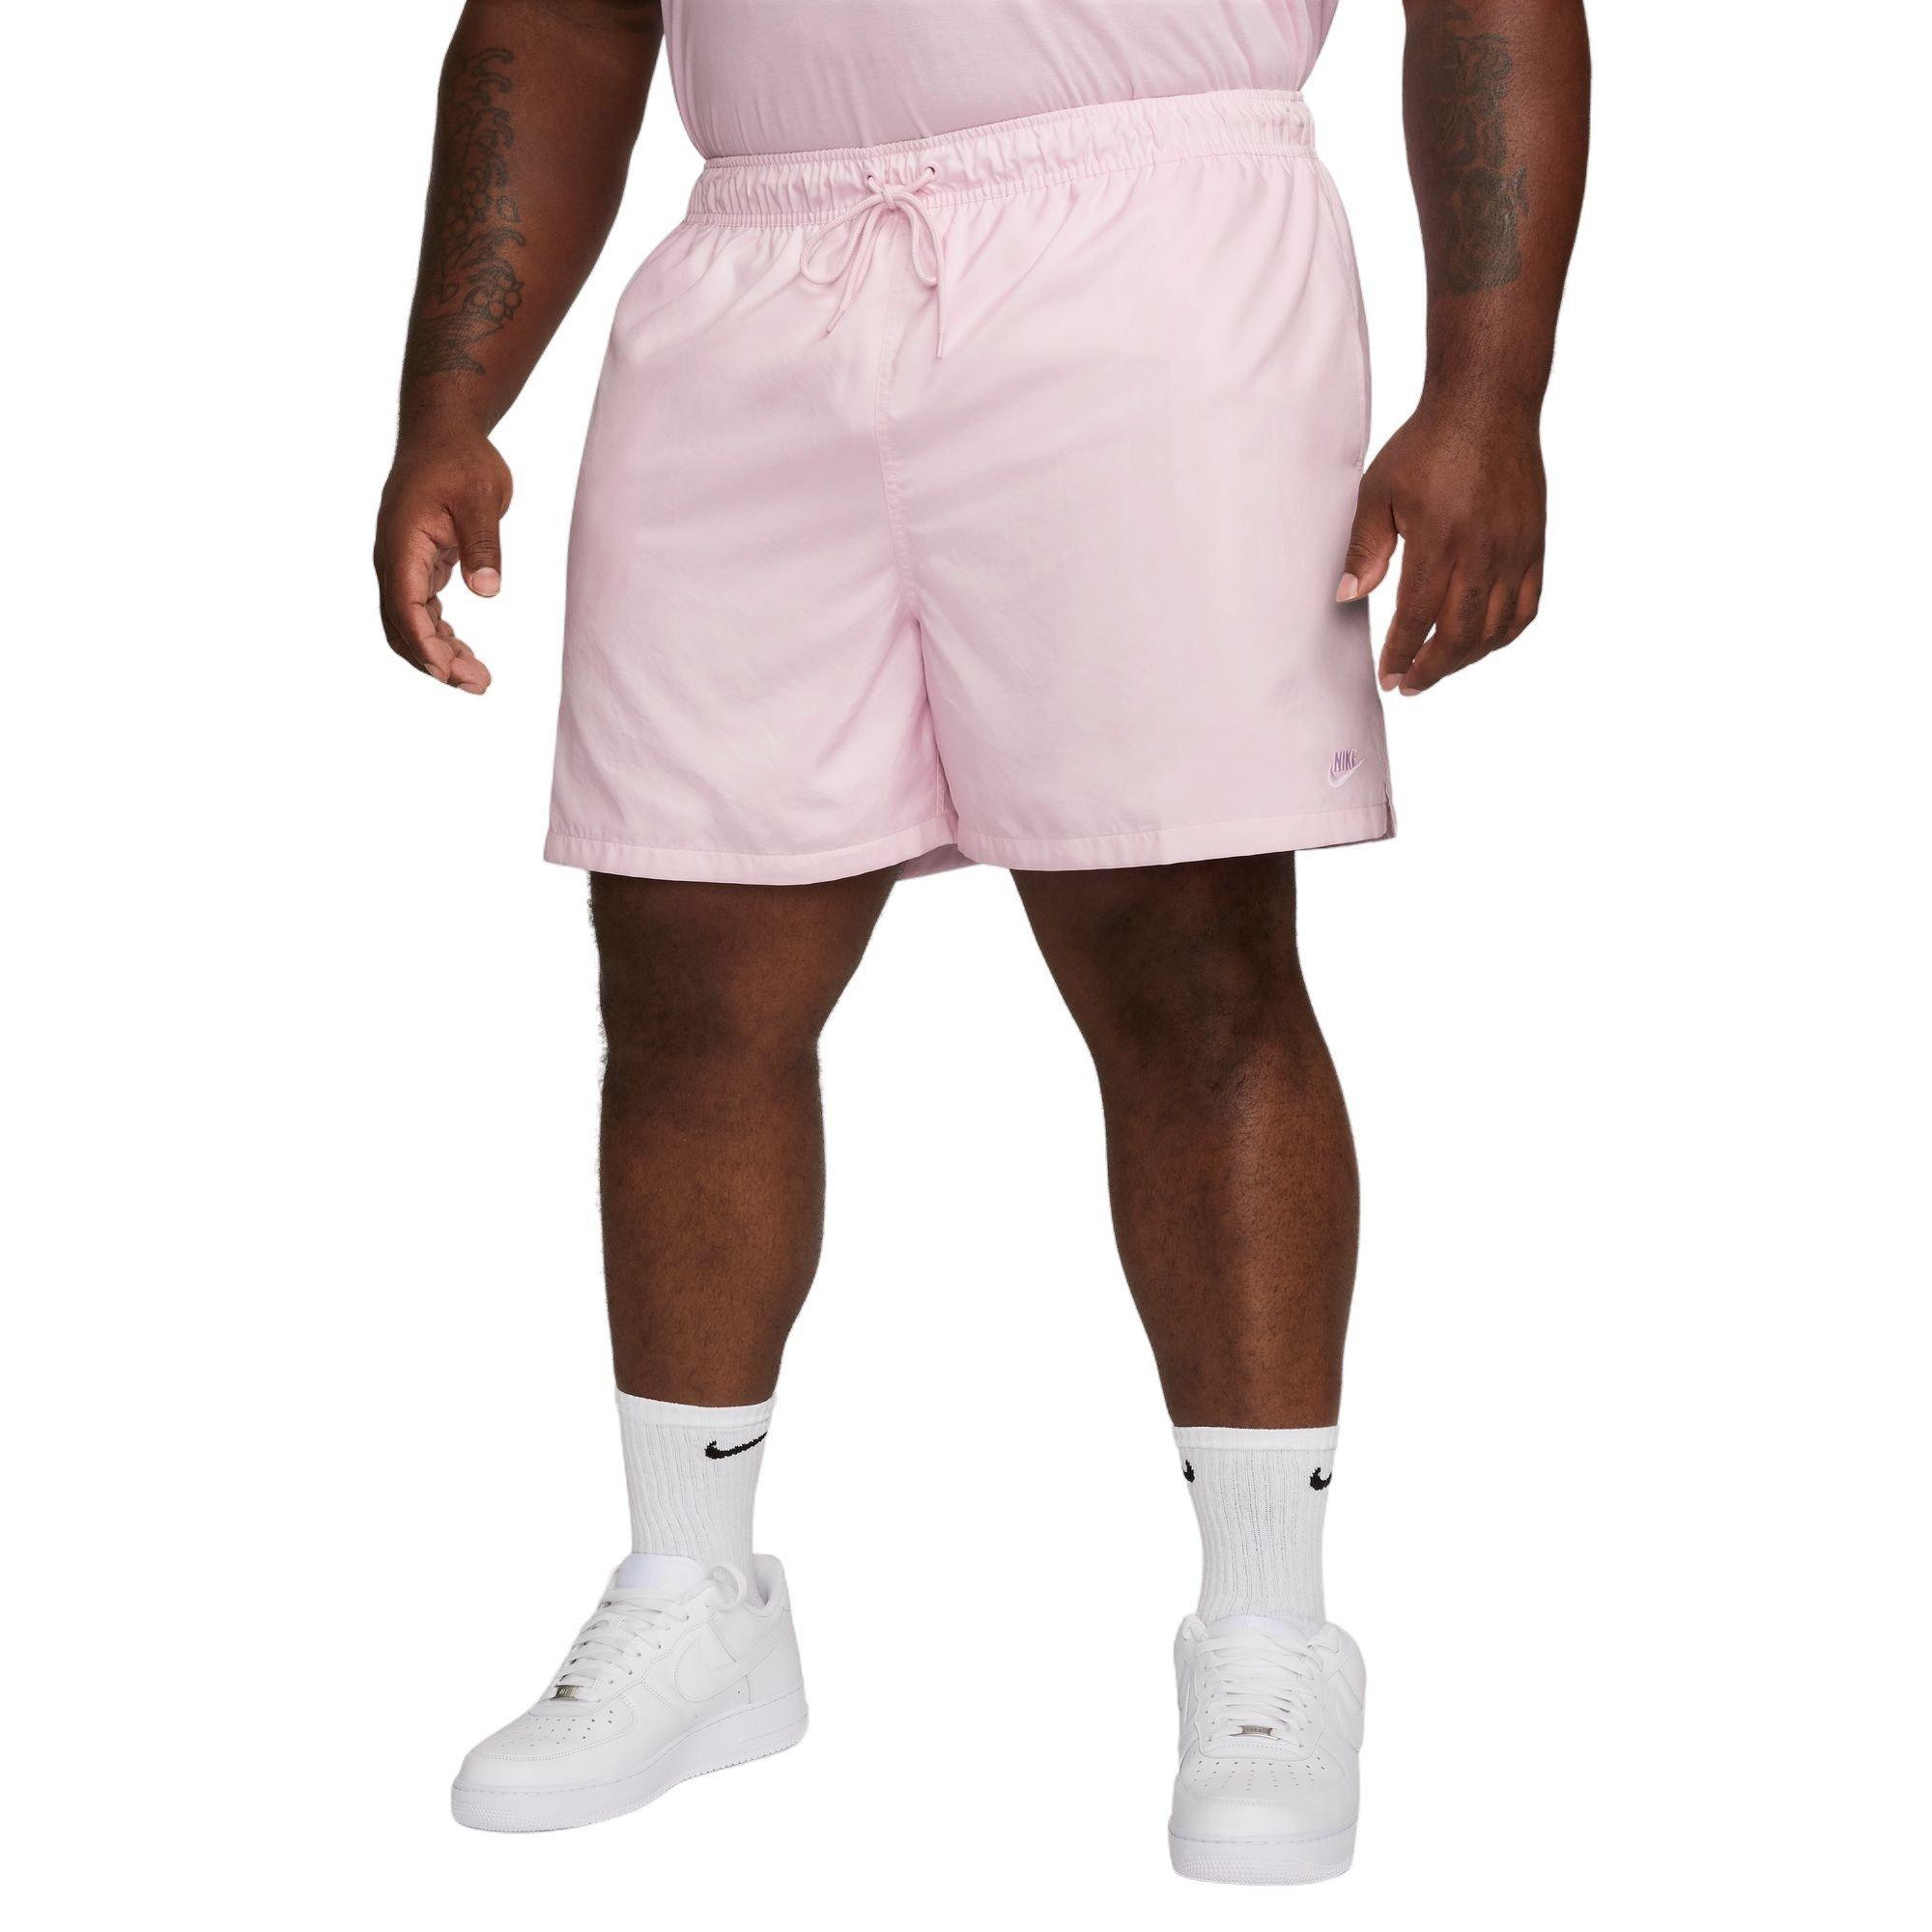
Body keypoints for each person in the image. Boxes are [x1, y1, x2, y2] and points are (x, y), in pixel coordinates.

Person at [375, 0, 1588, 1881]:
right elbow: (568, 15)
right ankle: (697, 1594)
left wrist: (1490, 393)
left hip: (1153, 236)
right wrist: (448, 404)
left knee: (1188, 955)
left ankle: (1270, 1627)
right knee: (685, 952)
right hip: (752, 268)